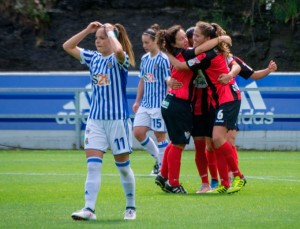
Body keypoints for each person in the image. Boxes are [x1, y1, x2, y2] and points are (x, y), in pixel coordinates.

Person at [62, 21, 136, 220]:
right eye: (96, 39)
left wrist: (111, 33)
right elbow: (67, 46)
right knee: (93, 165)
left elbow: (119, 50)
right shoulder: (93, 58)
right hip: (96, 121)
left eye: (102, 38)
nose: (98, 42)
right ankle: (89, 209)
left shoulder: (120, 59)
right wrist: (87, 30)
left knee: (123, 168)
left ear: (113, 39)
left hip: (118, 121)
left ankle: (130, 206)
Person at [168, 21, 246, 194]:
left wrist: (166, 52)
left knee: (218, 139)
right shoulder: (212, 50)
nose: (192, 38)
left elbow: (182, 65)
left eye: (196, 36)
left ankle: (238, 176)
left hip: (228, 98)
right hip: (218, 100)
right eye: (192, 35)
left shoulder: (206, 55)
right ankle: (224, 184)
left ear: (207, 38)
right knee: (213, 143)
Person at [154, 25, 232, 194]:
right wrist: (221, 39)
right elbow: (184, 64)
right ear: (175, 44)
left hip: (175, 103)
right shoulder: (187, 53)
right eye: (183, 39)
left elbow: (234, 63)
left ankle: (164, 175)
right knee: (179, 143)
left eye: (188, 37)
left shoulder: (182, 53)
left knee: (177, 141)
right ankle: (174, 183)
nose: (187, 41)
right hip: (180, 104)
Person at [132, 24, 170, 176]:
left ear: (155, 41)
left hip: (159, 104)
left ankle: (163, 169)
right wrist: (137, 101)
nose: (144, 45)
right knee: (138, 132)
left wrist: (167, 102)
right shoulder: (145, 59)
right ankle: (159, 160)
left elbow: (168, 81)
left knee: (160, 136)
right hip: (146, 104)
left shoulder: (163, 59)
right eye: (143, 42)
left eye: (147, 42)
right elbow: (142, 80)